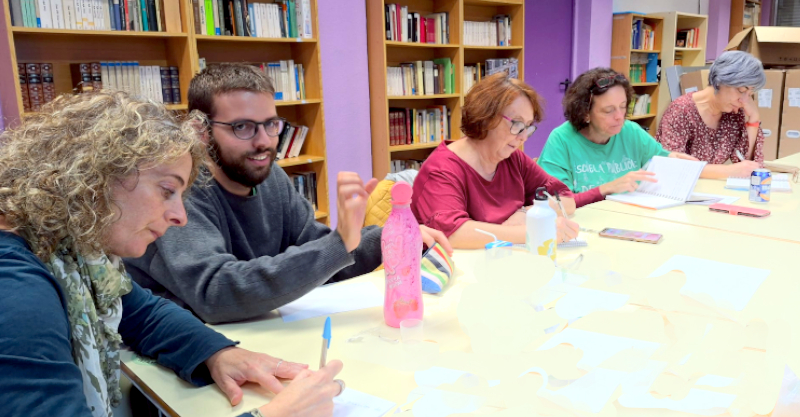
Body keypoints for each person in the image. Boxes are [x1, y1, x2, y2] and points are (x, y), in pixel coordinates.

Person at [0, 91, 346, 417]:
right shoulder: (18, 289)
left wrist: (219, 353)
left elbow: (141, 313)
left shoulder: (68, 247)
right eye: (167, 190)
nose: (180, 217)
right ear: (94, 179)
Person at [124, 63, 450, 324]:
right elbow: (215, 293)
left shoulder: (271, 176)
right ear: (200, 131)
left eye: (271, 124)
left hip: (261, 334)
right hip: (174, 364)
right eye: (243, 127)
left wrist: (390, 239)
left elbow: (317, 253)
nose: (264, 141)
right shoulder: (181, 191)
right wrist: (339, 244)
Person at [411, 72, 580, 250]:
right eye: (517, 124)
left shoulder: (513, 158)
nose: (523, 137)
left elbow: (566, 199)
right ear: (486, 118)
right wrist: (536, 228)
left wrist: (525, 213)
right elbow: (453, 234)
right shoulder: (442, 168)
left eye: (528, 127)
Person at [538, 68, 696, 207]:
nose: (620, 117)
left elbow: (660, 163)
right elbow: (557, 204)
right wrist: (606, 188)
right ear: (585, 113)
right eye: (608, 110)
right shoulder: (561, 140)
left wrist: (673, 160)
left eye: (623, 106)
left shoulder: (631, 131)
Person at [656, 50, 766, 178]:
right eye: (741, 90)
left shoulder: (733, 111)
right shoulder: (681, 110)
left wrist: (754, 119)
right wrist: (728, 171)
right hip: (675, 189)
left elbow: (744, 162)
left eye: (750, 95)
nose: (744, 101)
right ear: (720, 81)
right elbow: (672, 165)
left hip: (708, 189)